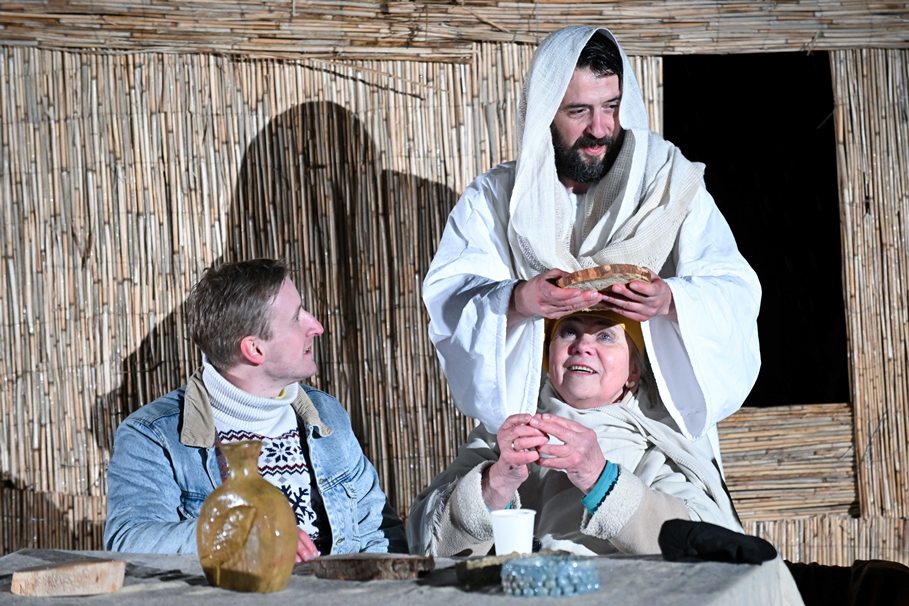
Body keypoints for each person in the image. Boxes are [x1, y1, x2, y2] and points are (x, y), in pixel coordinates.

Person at [422, 26, 761, 464]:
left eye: (611, 107)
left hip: (654, 433)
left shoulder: (669, 188)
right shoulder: (496, 198)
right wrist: (520, 300)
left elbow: (736, 292)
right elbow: (449, 304)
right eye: (579, 111)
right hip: (538, 431)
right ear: (545, 113)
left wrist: (671, 301)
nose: (599, 129)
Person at [104, 258, 407, 560]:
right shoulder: (153, 436)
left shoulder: (325, 414)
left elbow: (379, 533)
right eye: (296, 318)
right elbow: (129, 540)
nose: (316, 326)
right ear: (254, 349)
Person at [408, 310, 739, 557]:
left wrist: (601, 479)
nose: (582, 346)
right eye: (568, 332)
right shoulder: (505, 431)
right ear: (546, 357)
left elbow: (707, 542)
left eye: (605, 336)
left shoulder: (662, 436)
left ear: (633, 371)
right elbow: (427, 544)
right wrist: (496, 484)